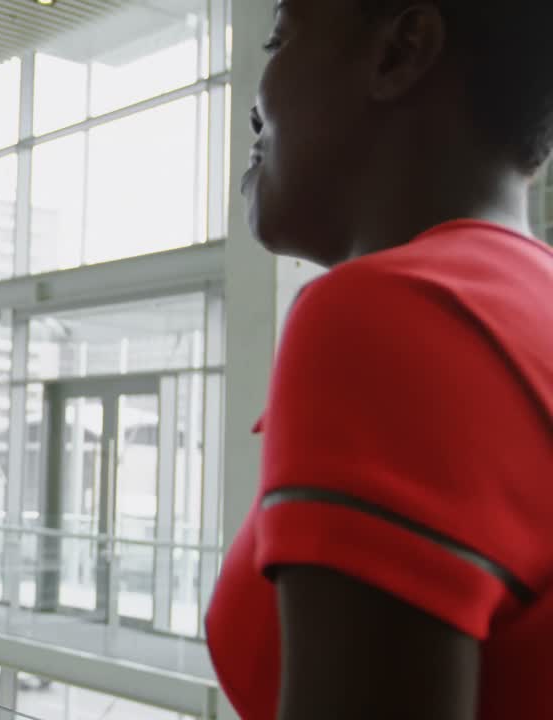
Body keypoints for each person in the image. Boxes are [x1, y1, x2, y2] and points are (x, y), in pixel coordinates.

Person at [205, 1, 553, 718]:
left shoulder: (397, 312)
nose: (254, 105)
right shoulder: (519, 308)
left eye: (280, 39)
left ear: (399, 50)